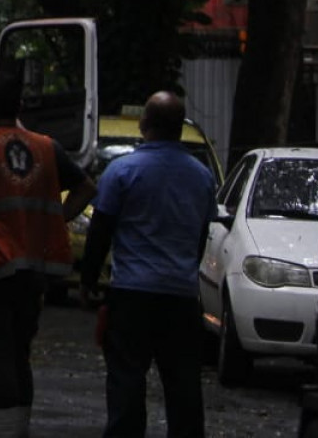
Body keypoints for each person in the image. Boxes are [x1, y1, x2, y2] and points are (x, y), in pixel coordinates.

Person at [0, 71, 94, 438]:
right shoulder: (47, 146)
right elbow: (86, 187)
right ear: (20, 107)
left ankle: (6, 431)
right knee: (19, 352)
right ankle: (19, 428)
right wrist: (57, 219)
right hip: (33, 269)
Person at [78, 90, 215, 438]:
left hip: (132, 295)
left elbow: (101, 231)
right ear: (180, 129)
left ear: (143, 125)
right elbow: (200, 235)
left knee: (126, 379)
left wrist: (89, 279)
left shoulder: (122, 172)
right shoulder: (201, 177)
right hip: (181, 298)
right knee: (183, 385)